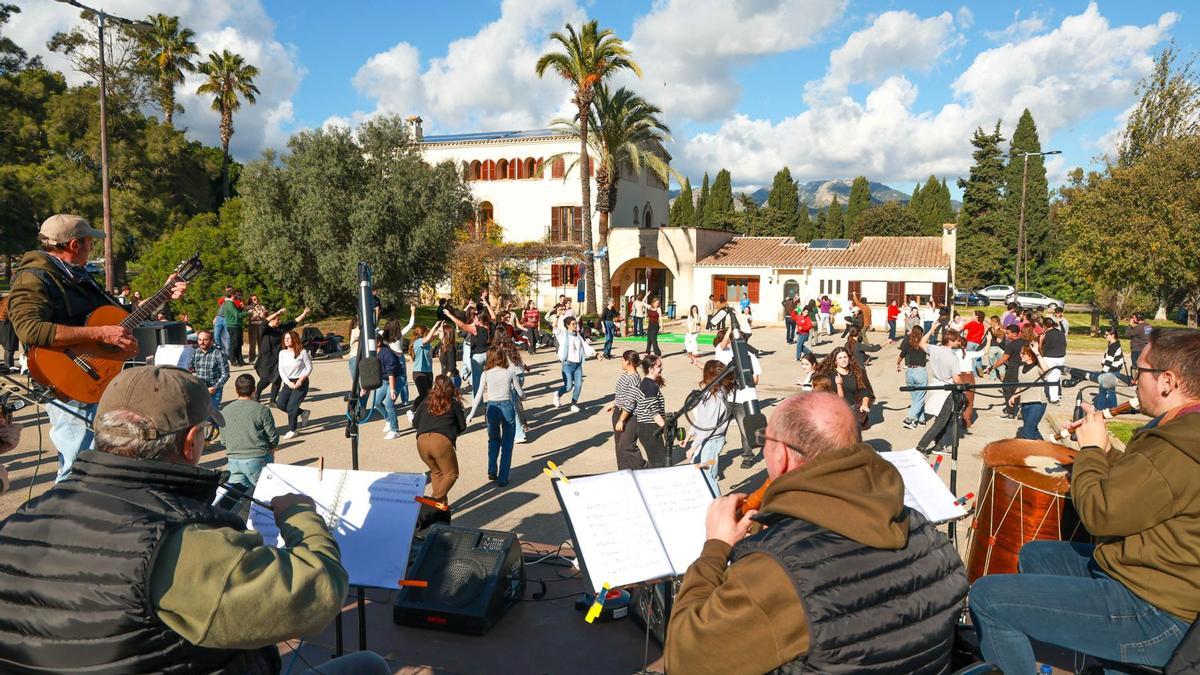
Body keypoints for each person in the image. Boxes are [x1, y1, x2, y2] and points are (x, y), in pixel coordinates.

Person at [0, 365, 389, 674]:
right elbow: (318, 593)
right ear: (190, 443)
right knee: (368, 665)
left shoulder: (21, 521)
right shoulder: (178, 542)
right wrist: (302, 517)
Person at [662, 392, 968, 674]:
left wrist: (715, 548)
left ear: (781, 455)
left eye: (764, 440)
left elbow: (685, 663)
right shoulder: (923, 530)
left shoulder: (776, 570)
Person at [969, 327, 1200, 673]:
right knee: (1037, 554)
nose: (1134, 380)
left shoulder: (1175, 447)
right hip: (1151, 578)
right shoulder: (1182, 431)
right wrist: (1106, 452)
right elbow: (1148, 489)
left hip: (1158, 612)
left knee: (987, 599)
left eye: (1141, 371)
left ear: (1167, 381)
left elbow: (1100, 514)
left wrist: (1090, 449)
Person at [6, 214, 187, 481]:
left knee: (98, 462)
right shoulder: (34, 278)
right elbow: (29, 329)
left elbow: (119, 318)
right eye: (89, 241)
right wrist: (100, 333)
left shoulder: (77, 275)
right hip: (69, 379)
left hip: (94, 378)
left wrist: (162, 294)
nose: (93, 246)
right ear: (74, 244)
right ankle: (67, 519)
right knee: (78, 466)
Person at [467, 347, 523, 487]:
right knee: (507, 444)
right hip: (507, 406)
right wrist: (523, 396)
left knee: (493, 440)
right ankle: (503, 477)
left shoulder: (485, 374)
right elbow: (520, 392)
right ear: (503, 357)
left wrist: (471, 414)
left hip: (491, 408)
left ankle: (492, 469)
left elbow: (478, 395)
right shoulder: (509, 372)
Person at [712, 329, 763, 469]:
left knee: (744, 429)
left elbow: (756, 379)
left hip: (742, 400)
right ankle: (713, 454)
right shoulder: (726, 353)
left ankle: (748, 456)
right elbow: (721, 344)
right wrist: (730, 328)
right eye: (732, 340)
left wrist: (741, 380)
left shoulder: (750, 357)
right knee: (718, 428)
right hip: (726, 398)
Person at [413, 374, 466, 505]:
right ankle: (432, 501)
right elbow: (462, 426)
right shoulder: (453, 403)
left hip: (421, 441)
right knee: (451, 474)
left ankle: (440, 508)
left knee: (436, 473)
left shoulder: (426, 401)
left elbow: (415, 423)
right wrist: (452, 432)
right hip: (441, 441)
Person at [221, 373, 279, 490]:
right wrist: (272, 450)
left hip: (234, 461)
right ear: (254, 390)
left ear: (236, 390)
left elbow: (223, 441)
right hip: (257, 458)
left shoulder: (225, 411)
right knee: (264, 494)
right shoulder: (262, 410)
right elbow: (273, 437)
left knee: (239, 498)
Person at [684, 359, 734, 488]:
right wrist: (689, 435)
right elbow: (701, 419)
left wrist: (693, 447)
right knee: (703, 474)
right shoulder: (716, 391)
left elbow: (706, 427)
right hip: (709, 440)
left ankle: (717, 504)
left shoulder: (714, 398)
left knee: (709, 478)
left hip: (711, 442)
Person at [914, 329, 965, 455]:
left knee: (942, 419)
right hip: (946, 391)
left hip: (935, 386)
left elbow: (921, 343)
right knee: (941, 421)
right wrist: (964, 386)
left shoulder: (935, 349)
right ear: (950, 341)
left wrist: (931, 329)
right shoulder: (953, 358)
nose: (959, 342)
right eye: (957, 340)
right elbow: (956, 379)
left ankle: (939, 446)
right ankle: (921, 447)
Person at [256, 306, 309, 403]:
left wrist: (304, 314)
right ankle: (256, 395)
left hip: (279, 359)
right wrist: (277, 313)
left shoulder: (281, 328)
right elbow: (263, 322)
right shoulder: (264, 329)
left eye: (279, 319)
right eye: (277, 319)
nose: (279, 321)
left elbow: (293, 322)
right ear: (271, 320)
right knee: (265, 381)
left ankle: (273, 401)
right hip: (266, 360)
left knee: (277, 380)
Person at [817, 346, 873, 429]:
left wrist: (864, 404)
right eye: (840, 358)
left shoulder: (855, 373)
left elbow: (864, 391)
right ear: (835, 361)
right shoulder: (830, 375)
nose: (843, 360)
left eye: (845, 357)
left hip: (852, 409)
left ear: (849, 359)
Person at [607, 350, 645, 470]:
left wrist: (622, 420)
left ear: (628, 361)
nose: (621, 362)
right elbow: (622, 393)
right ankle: (623, 470)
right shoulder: (625, 374)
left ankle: (642, 467)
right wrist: (614, 403)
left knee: (626, 446)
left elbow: (630, 402)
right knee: (618, 445)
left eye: (622, 360)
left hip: (628, 415)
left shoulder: (634, 378)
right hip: (619, 411)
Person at [632, 354, 669, 468]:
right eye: (659, 366)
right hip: (649, 428)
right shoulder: (649, 386)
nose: (661, 368)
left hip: (649, 428)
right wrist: (665, 426)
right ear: (650, 369)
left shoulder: (650, 383)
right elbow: (653, 411)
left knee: (656, 461)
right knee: (659, 463)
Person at [1007, 342, 1050, 440]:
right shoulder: (1021, 367)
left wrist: (1037, 353)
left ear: (1030, 355)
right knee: (1032, 430)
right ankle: (1045, 448)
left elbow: (1047, 371)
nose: (1020, 355)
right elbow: (1021, 385)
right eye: (1021, 353)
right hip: (1025, 404)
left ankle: (1031, 452)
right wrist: (1014, 395)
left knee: (1027, 432)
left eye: (1023, 353)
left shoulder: (1037, 368)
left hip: (1037, 404)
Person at [189, 330, 229, 430]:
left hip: (214, 389)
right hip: (200, 388)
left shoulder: (218, 354)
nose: (201, 342)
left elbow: (225, 374)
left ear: (211, 341)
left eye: (205, 340)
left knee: (211, 411)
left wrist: (215, 387)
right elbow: (191, 368)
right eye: (199, 340)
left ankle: (217, 429)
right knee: (200, 412)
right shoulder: (196, 352)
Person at [985, 324, 1026, 419]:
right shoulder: (1025, 342)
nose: (1006, 335)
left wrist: (992, 367)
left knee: (1007, 389)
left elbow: (1004, 359)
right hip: (1023, 368)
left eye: (1008, 333)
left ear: (1014, 333)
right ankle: (1020, 409)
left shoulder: (1011, 345)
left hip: (1013, 369)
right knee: (1020, 389)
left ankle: (1010, 411)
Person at [276, 330, 312, 439]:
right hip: (288, 382)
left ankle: (293, 430)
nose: (286, 340)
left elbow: (309, 367)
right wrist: (288, 383)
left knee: (292, 406)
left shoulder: (302, 352)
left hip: (301, 382)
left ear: (294, 339)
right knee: (280, 404)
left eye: (289, 338)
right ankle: (303, 412)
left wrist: (301, 380)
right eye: (285, 338)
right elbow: (281, 369)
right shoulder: (282, 353)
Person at [554, 316, 589, 412]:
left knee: (578, 385)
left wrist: (596, 354)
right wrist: (557, 317)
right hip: (567, 365)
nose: (575, 325)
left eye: (576, 323)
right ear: (567, 325)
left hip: (577, 365)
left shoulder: (578, 336)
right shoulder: (563, 335)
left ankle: (573, 404)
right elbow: (554, 328)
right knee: (568, 386)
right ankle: (558, 394)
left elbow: (585, 346)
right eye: (573, 324)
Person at [373, 325, 402, 440]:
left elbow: (392, 374)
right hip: (385, 379)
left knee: (389, 403)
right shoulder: (374, 353)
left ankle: (395, 430)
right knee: (377, 403)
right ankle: (389, 420)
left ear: (378, 343)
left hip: (396, 378)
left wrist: (392, 390)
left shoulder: (386, 354)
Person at [897, 326, 928, 429]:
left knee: (916, 399)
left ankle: (921, 420)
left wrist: (898, 364)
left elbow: (901, 355)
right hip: (920, 372)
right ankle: (909, 419)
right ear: (921, 334)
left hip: (909, 372)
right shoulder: (923, 344)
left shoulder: (908, 343)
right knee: (920, 398)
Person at [410, 322, 439, 415]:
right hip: (419, 373)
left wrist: (439, 327)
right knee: (423, 396)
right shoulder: (418, 342)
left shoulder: (427, 343)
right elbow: (428, 338)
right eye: (427, 332)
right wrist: (434, 325)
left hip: (428, 372)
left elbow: (433, 336)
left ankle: (424, 413)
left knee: (429, 395)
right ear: (422, 334)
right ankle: (412, 411)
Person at [1094, 326, 1125, 410]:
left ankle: (1102, 408)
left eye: (1107, 335)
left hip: (1112, 371)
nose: (1105, 336)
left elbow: (1109, 361)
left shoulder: (1113, 346)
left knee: (1104, 390)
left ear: (1113, 335)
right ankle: (1112, 408)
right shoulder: (1114, 343)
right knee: (1109, 390)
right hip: (1113, 370)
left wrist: (1103, 373)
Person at [1039, 316, 1067, 403]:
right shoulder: (1060, 332)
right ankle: (1055, 396)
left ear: (1044, 326)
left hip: (1049, 357)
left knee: (1046, 376)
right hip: (1061, 357)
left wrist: (1040, 341)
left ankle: (1049, 397)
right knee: (1055, 377)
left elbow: (1041, 350)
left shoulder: (1046, 334)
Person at [220, 290, 247, 366]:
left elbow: (237, 313)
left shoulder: (231, 303)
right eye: (236, 295)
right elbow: (237, 315)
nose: (237, 296)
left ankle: (240, 360)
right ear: (232, 295)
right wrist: (248, 313)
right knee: (234, 344)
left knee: (239, 344)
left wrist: (241, 308)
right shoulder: (229, 303)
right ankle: (233, 361)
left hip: (237, 325)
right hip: (233, 326)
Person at [244, 294, 267, 363]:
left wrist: (264, 312)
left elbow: (264, 316)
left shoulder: (261, 306)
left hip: (260, 325)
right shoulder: (248, 307)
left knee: (261, 343)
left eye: (257, 299)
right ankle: (251, 359)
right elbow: (249, 315)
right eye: (254, 299)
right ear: (251, 300)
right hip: (253, 325)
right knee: (252, 343)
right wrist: (256, 312)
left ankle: (261, 358)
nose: (256, 300)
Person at [0, 294, 21, 369]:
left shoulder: (7, 299)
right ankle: (8, 366)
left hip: (6, 322)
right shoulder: (8, 300)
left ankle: (8, 365)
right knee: (9, 347)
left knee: (9, 347)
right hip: (6, 323)